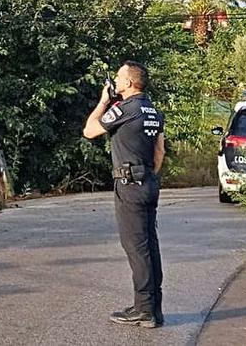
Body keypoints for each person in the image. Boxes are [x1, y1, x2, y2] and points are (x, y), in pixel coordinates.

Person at [82, 60, 166, 328]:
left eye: (119, 78)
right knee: (150, 245)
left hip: (130, 185)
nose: (116, 82)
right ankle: (154, 308)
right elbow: (159, 152)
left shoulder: (124, 109)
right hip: (149, 181)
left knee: (136, 247)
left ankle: (143, 310)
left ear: (129, 83)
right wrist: (147, 174)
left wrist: (103, 102)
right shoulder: (153, 111)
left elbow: (90, 130)